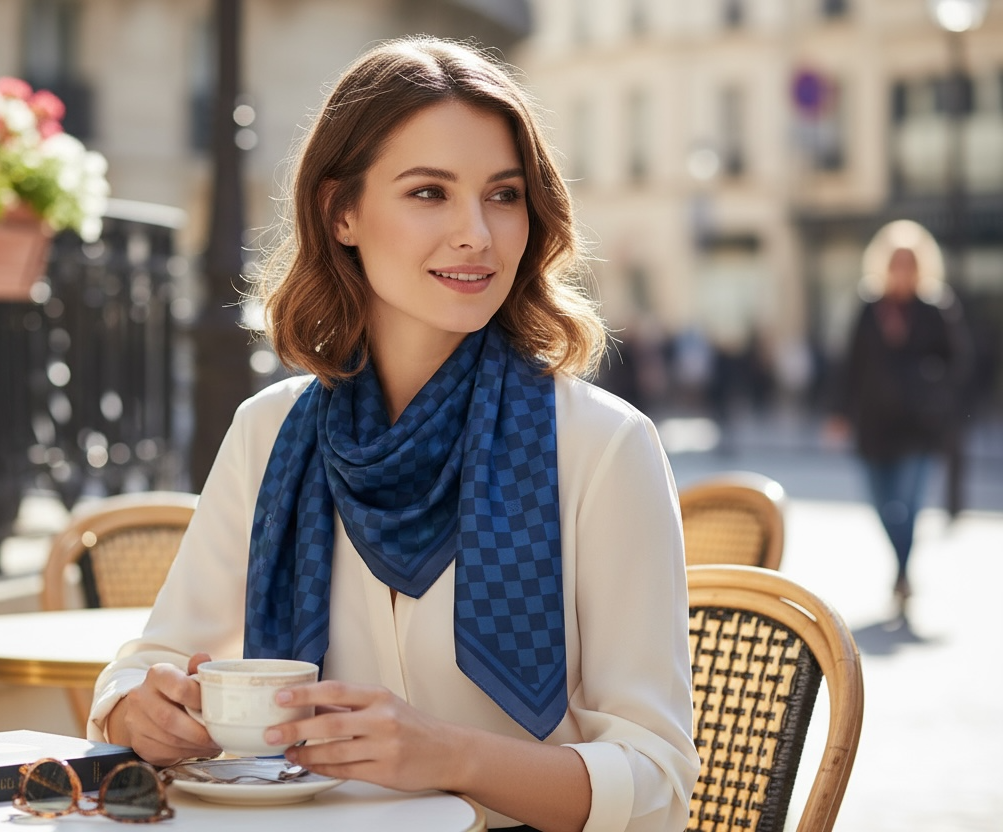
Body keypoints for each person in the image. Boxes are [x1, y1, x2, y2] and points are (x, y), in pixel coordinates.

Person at [89, 37, 698, 832]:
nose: (477, 233)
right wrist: (139, 713)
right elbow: (149, 666)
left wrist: (451, 757)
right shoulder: (268, 432)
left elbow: (658, 785)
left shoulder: (603, 447)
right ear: (340, 212)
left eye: (504, 195)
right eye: (429, 193)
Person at [827, 220, 971, 612]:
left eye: (909, 263)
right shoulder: (868, 307)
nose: (902, 270)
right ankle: (902, 567)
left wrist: (929, 385)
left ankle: (903, 575)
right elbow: (849, 365)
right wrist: (838, 412)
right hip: (873, 426)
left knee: (908, 504)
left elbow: (958, 364)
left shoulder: (936, 308)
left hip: (918, 426)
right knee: (882, 504)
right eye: (896, 262)